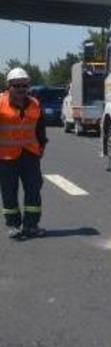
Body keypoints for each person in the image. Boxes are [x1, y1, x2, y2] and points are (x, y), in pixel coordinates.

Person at [0, 68, 48, 239]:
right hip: (6, 157)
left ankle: (31, 225)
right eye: (17, 85)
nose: (21, 89)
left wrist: (41, 147)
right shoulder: (0, 103)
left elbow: (40, 128)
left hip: (30, 155)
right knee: (9, 192)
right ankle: (13, 225)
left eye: (24, 85)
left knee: (34, 190)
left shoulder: (35, 104)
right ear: (9, 86)